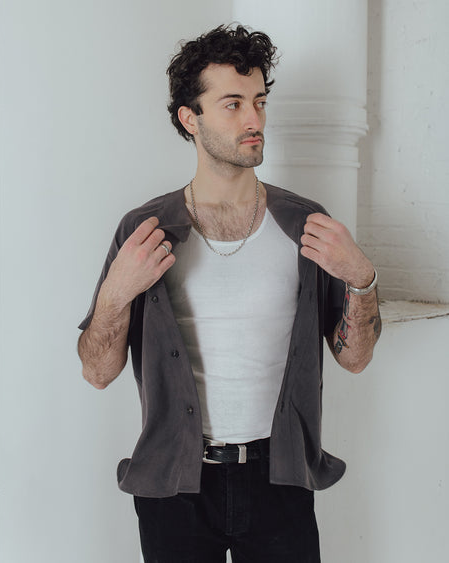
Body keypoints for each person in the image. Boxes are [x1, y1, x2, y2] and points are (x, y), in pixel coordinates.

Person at [77, 25, 381, 562]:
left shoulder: (306, 225)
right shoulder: (144, 229)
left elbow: (353, 359)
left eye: (260, 102)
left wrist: (362, 278)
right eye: (233, 104)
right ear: (189, 118)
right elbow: (98, 372)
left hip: (281, 480)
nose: (254, 121)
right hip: (175, 484)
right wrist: (114, 294)